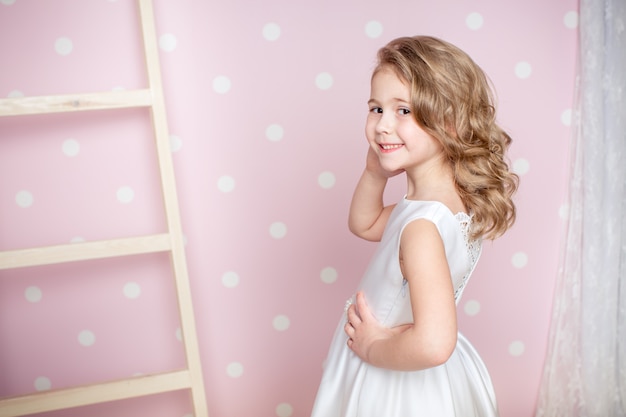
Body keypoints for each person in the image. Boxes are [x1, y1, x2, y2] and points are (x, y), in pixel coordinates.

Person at [310, 35, 519, 417]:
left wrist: (373, 347)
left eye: (403, 111)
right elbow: (365, 222)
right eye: (376, 108)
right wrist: (374, 173)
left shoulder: (421, 227)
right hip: (400, 362)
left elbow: (435, 344)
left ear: (450, 123)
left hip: (391, 380)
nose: (382, 125)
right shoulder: (437, 209)